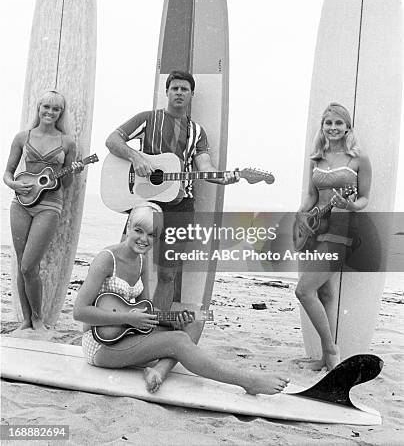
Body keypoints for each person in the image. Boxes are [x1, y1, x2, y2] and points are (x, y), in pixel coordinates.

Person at [74, 203, 290, 395]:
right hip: (100, 345)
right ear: (128, 227)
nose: (143, 239)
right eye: (138, 230)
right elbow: (79, 312)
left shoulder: (141, 261)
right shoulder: (106, 259)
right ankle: (248, 381)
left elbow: (145, 310)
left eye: (151, 235)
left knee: (196, 317)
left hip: (127, 334)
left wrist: (171, 318)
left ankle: (159, 371)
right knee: (178, 341)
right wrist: (129, 318)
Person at [105, 70, 239, 311]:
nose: (179, 92)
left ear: (191, 95)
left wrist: (224, 178)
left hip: (181, 206)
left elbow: (205, 167)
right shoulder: (148, 119)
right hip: (145, 201)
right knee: (126, 261)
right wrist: (135, 158)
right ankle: (118, 314)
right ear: (166, 92)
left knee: (168, 273)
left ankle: (153, 324)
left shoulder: (197, 132)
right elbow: (113, 140)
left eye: (184, 89)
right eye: (174, 88)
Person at [294, 103, 371, 371]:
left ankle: (331, 349)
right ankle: (325, 361)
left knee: (303, 290)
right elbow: (311, 196)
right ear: (322, 126)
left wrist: (348, 204)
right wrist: (300, 217)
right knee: (324, 293)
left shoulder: (358, 160)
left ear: (348, 127)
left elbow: (363, 199)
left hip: (341, 230)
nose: (333, 128)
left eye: (339, 123)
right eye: (329, 123)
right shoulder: (316, 158)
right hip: (315, 229)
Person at [3, 90, 82, 332]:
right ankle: (26, 321)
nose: (49, 112)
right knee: (21, 265)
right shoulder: (22, 137)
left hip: (49, 206)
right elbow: (7, 173)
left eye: (55, 109)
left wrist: (73, 172)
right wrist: (13, 183)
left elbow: (66, 185)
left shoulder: (67, 142)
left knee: (28, 265)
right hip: (21, 203)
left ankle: (38, 318)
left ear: (61, 113)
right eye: (46, 107)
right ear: (38, 108)